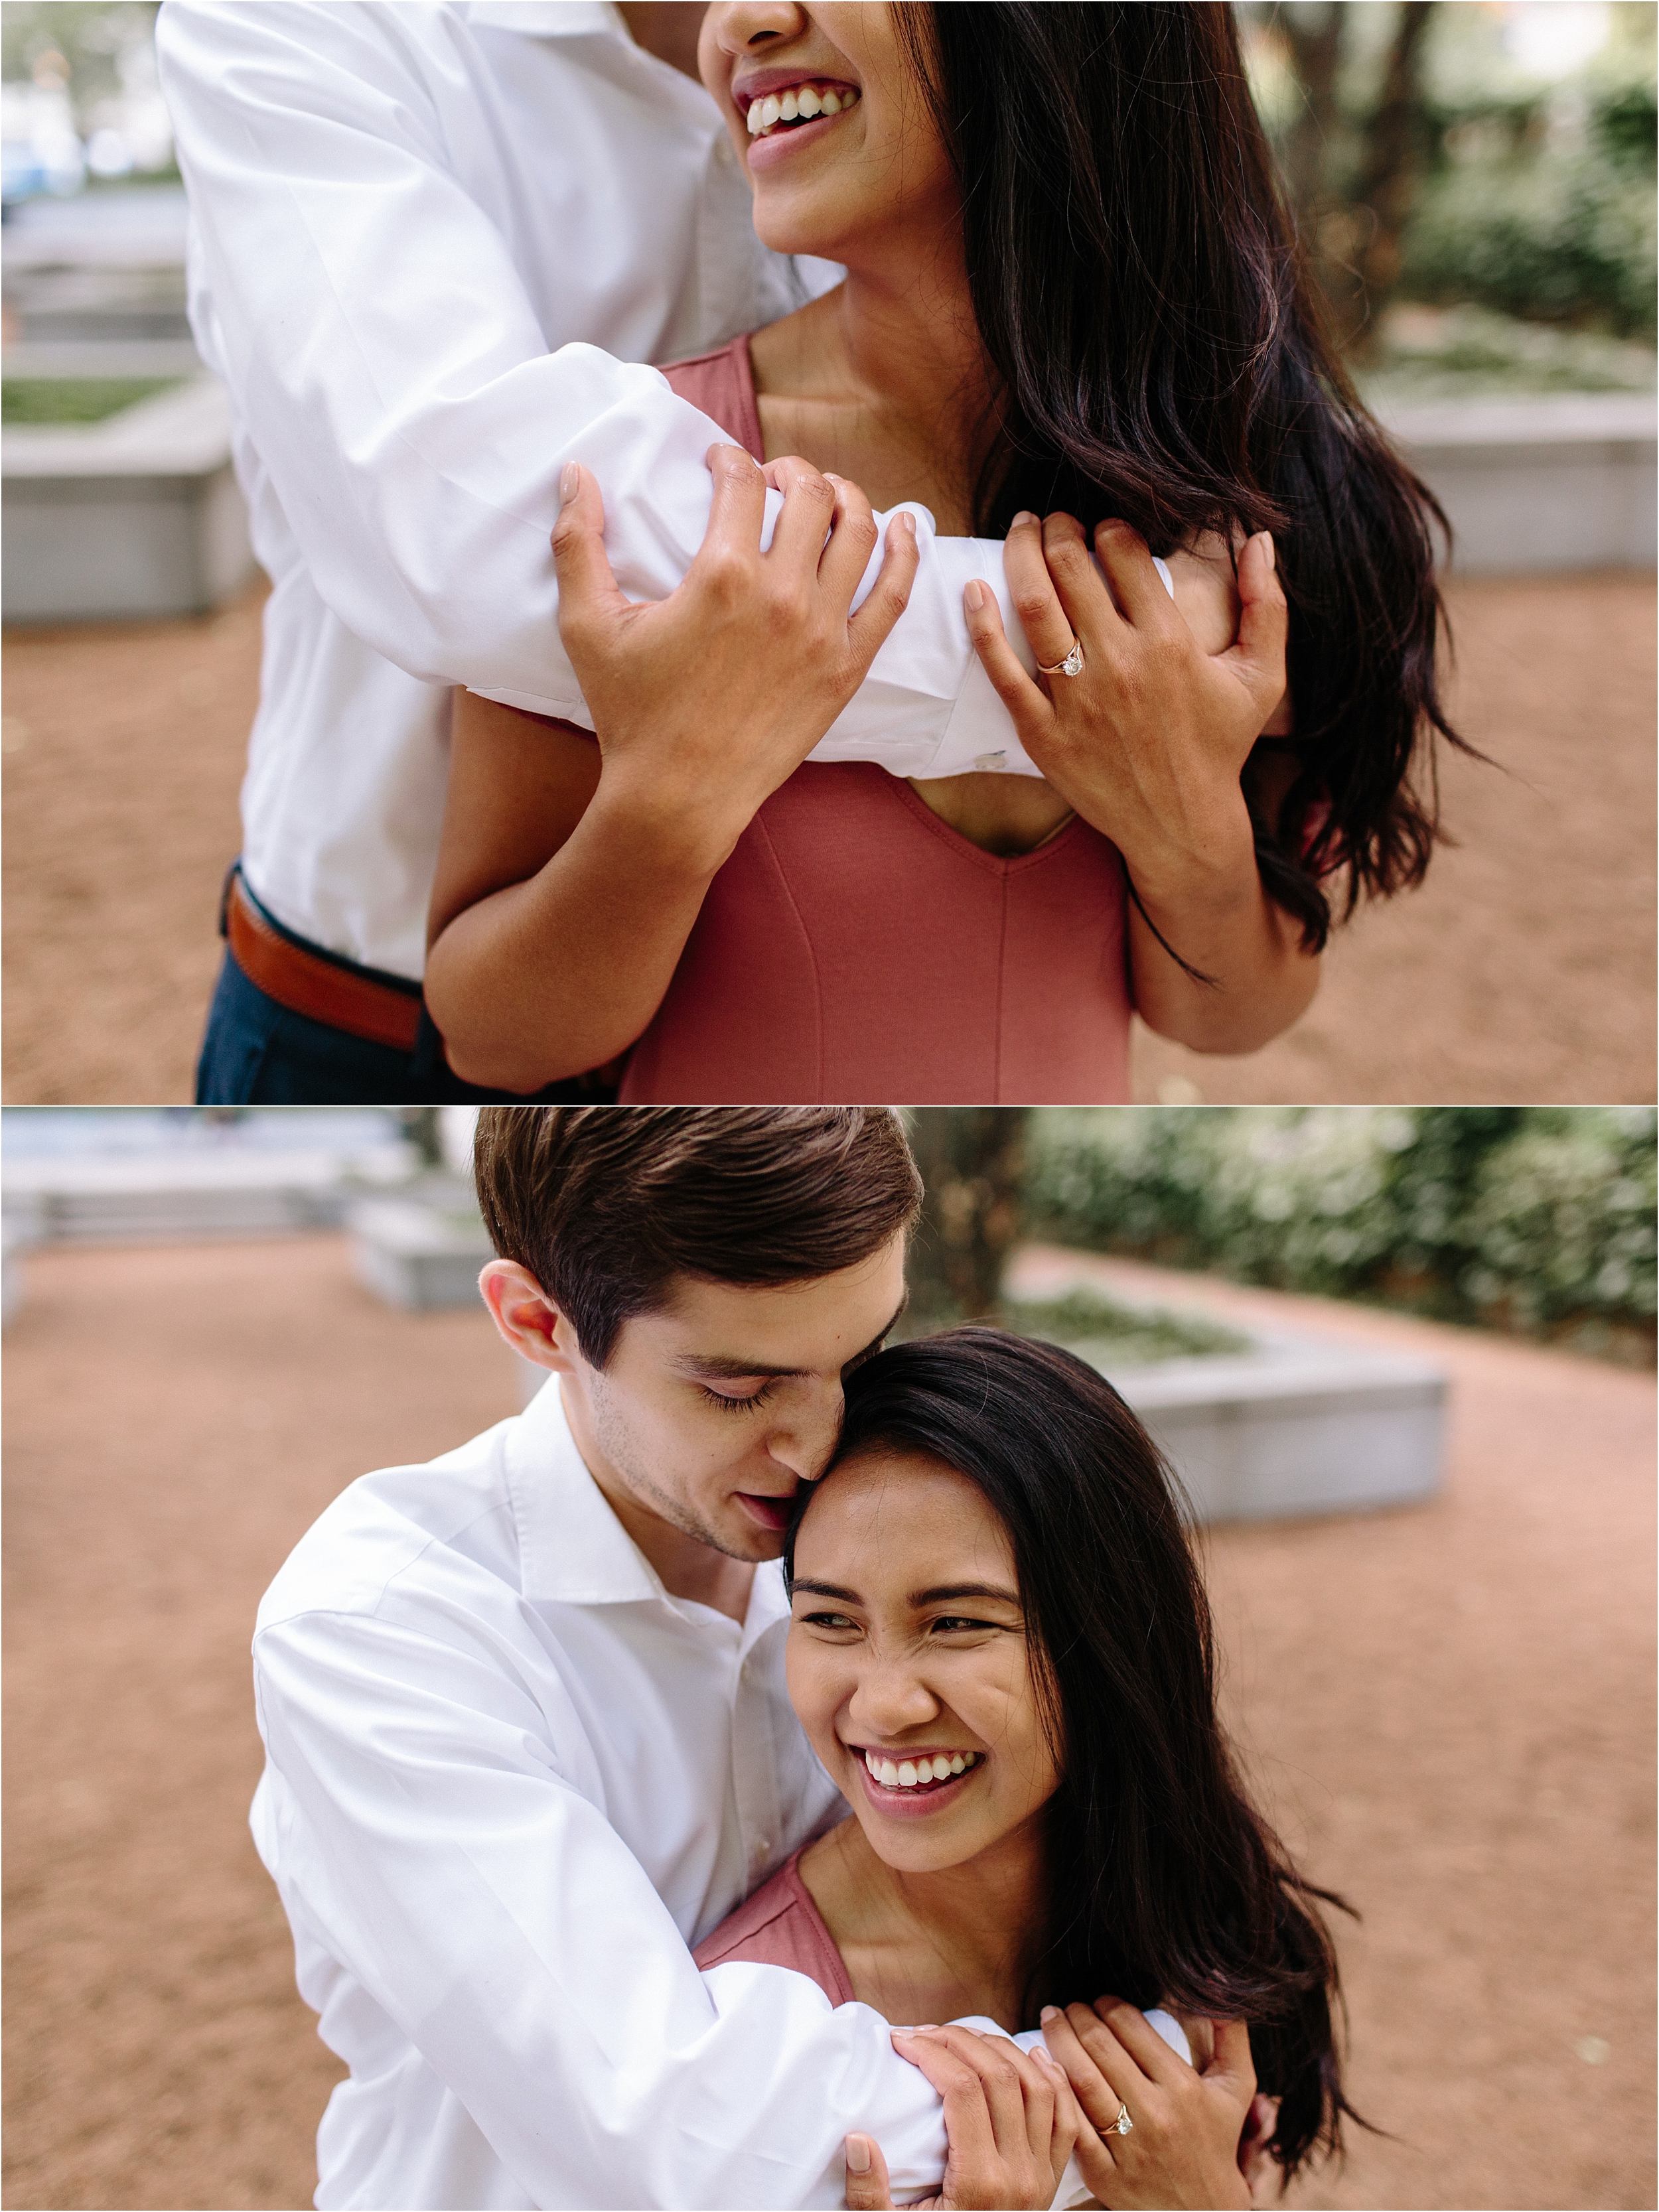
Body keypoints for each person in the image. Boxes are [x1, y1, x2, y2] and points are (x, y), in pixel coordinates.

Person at [159, 0, 1226, 1106]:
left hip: (792, 1033)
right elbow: (473, 529)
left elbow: (1235, 985)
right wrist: (1117, 654)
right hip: (374, 1021)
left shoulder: (1146, 417)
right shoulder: (301, 25)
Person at [425, 1, 1462, 1106]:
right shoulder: (643, 480)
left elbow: (1232, 1015)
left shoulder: (1269, 498)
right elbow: (492, 1037)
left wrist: (1188, 825)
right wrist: (669, 798)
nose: (739, 22)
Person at [248, 1105, 1185, 2210]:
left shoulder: (875, 1526)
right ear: (538, 1321)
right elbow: (676, 2137)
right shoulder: (380, 1625)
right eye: (740, 1389)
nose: (822, 1441)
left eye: (860, 1353)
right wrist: (1150, 2091)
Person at [695, 1326, 1360, 2209]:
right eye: (830, 1619)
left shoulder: (1201, 1911)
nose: (885, 1704)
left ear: (1108, 1638)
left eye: (959, 1621)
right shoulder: (747, 2035)